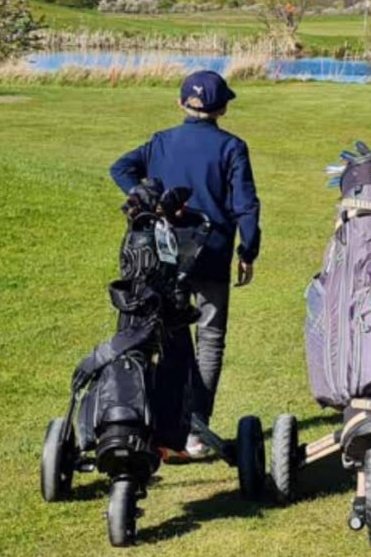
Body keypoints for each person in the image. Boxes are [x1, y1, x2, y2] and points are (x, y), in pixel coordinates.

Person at [110, 70, 261, 457]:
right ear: (223, 108)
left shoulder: (161, 142)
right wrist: (248, 250)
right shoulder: (232, 147)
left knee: (167, 335)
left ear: (181, 103)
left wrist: (143, 196)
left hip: (162, 255)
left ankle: (159, 426)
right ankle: (195, 430)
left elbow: (121, 168)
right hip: (211, 255)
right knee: (210, 339)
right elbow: (245, 205)